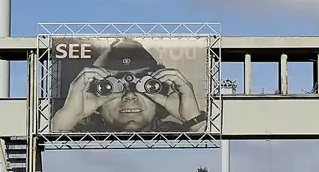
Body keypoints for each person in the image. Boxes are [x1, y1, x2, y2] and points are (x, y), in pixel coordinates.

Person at [51, 39, 207, 133]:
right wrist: (71, 114)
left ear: (162, 88)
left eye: (146, 85)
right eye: (110, 86)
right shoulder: (79, 131)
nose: (129, 96)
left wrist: (192, 119)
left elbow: (212, 141)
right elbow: (53, 135)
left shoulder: (177, 130)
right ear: (92, 92)